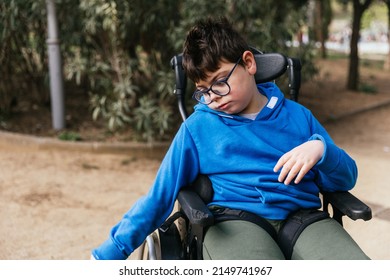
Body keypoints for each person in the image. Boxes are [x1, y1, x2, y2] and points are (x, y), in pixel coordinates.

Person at [91, 17, 369, 260]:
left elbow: (347, 178)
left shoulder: (299, 117)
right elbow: (160, 196)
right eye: (203, 90)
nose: (213, 99)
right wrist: (110, 253)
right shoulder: (198, 128)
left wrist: (321, 150)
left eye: (220, 82)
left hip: (304, 219)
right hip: (237, 220)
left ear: (248, 63)